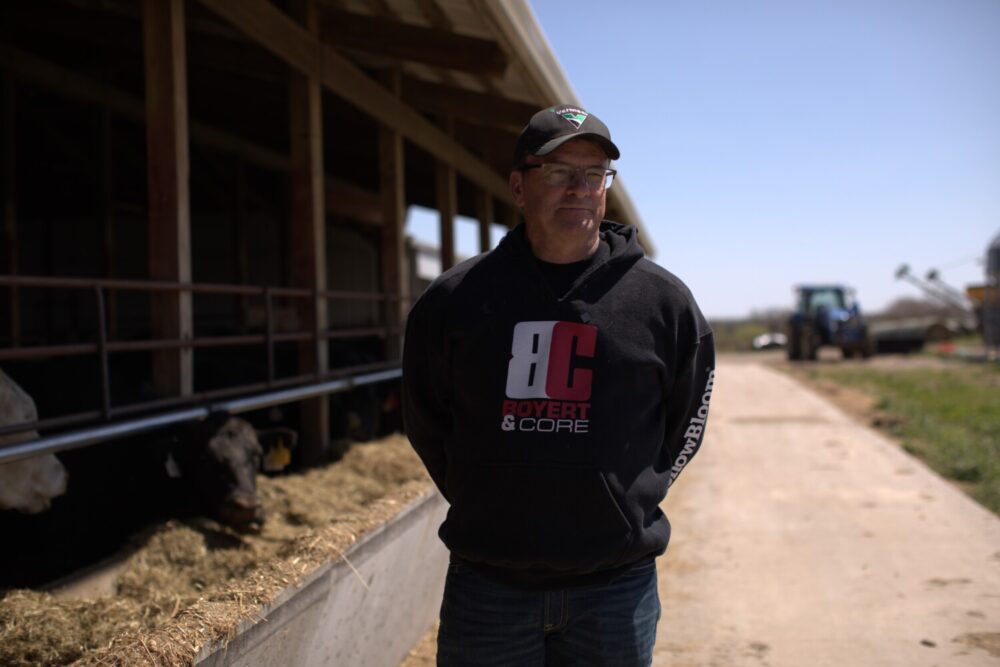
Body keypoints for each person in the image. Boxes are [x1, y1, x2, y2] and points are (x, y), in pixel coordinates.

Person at [402, 104, 715, 666]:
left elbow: (687, 415)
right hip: (488, 587)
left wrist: (625, 500)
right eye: (559, 172)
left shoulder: (661, 303)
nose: (580, 189)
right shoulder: (454, 301)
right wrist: (485, 494)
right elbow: (426, 416)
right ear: (519, 187)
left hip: (615, 589)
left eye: (593, 175)